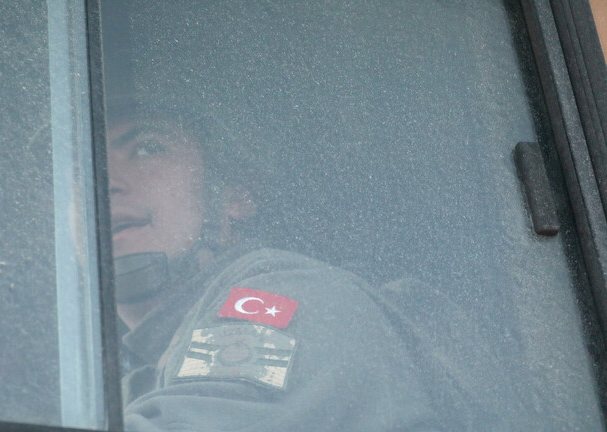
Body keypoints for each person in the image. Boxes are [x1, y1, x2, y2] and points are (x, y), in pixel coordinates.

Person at [106, 106, 541, 431]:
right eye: (81, 165)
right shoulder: (138, 374)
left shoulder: (290, 293)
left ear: (235, 198)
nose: (104, 181)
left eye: (146, 149)